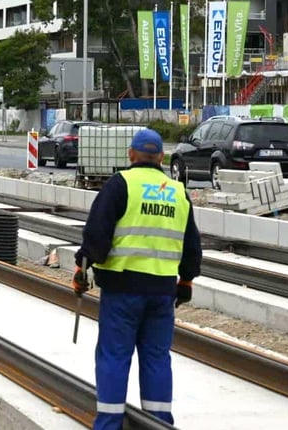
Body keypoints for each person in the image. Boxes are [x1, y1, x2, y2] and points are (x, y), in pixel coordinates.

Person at [72, 129, 202, 428]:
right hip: (162, 292)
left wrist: (83, 268)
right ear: (161, 157)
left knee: (114, 357)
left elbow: (97, 234)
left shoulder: (121, 184)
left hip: (122, 290)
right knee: (157, 358)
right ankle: (158, 423)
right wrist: (186, 282)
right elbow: (191, 243)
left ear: (131, 155)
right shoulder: (178, 191)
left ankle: (109, 423)